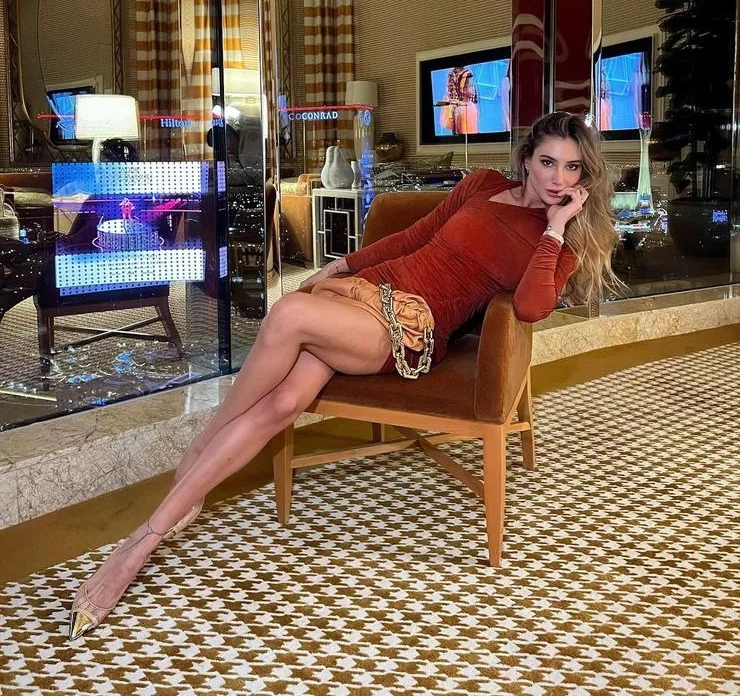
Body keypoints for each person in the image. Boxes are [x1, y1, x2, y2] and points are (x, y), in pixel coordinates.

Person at [68, 111, 619, 640]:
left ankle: (150, 526)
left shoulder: (561, 241)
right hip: (368, 292)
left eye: (572, 168)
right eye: (548, 162)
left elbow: (530, 307)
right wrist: (344, 264)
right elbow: (416, 236)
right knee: (282, 404)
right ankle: (162, 521)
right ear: (526, 159)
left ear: (584, 176)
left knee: (289, 313)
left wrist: (554, 228)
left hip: (409, 326)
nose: (558, 178)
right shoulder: (481, 185)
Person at [440, 66, 480, 134]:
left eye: (473, 85)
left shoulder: (470, 105)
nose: (473, 88)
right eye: (470, 85)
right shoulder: (462, 110)